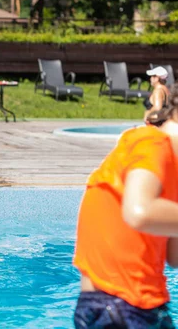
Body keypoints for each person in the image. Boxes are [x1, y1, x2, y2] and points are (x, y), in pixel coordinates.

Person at [73, 82, 178, 328]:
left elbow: (173, 256)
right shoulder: (150, 142)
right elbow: (138, 212)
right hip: (116, 306)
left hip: (147, 305)